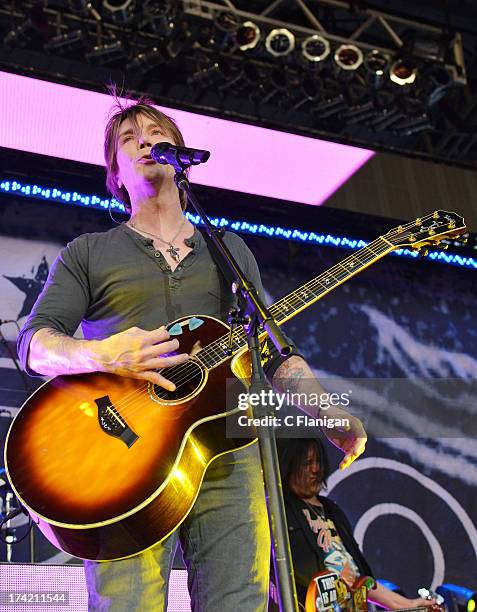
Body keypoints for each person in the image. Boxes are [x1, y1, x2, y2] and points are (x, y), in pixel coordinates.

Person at [17, 96, 367, 611]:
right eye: (129, 139)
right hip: (122, 460)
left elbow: (273, 352)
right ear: (114, 172)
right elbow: (34, 343)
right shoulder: (89, 251)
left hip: (228, 446)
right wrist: (106, 353)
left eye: (156, 133)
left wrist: (329, 411)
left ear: (180, 154)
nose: (145, 142)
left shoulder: (226, 249)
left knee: (238, 601)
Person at [278, 437, 437, 611]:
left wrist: (410, 605)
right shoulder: (278, 510)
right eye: (307, 463)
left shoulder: (333, 511)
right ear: (289, 466)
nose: (315, 469)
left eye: (318, 462)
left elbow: (361, 581)